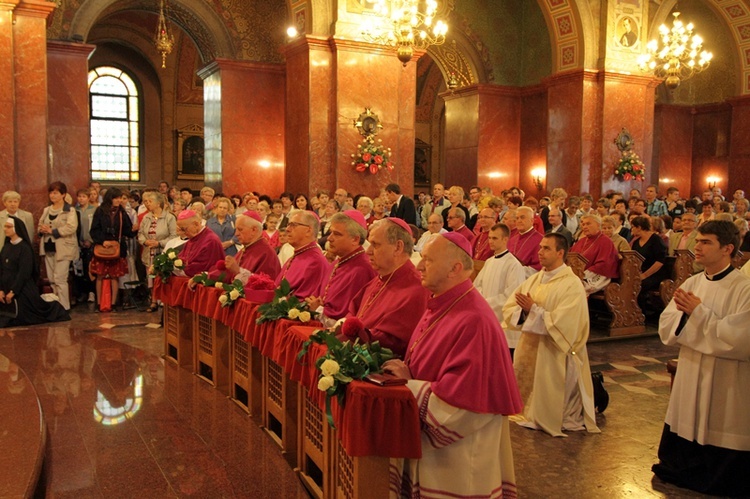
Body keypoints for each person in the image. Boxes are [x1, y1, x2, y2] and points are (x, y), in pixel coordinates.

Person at [383, 232, 522, 497]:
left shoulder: (474, 319)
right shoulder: (441, 304)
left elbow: (461, 406)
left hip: (460, 455)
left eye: (428, 260)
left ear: (455, 269)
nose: (419, 266)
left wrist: (409, 384)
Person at [652, 221, 750, 496]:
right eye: (698, 241)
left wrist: (699, 314)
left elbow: (740, 339)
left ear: (727, 249)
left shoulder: (744, 288)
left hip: (727, 375)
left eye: (706, 242)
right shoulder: (693, 282)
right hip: (692, 367)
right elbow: (668, 324)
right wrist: (694, 320)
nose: (698, 246)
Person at [503, 232, 600, 437]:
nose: (540, 252)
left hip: (555, 351)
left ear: (560, 253)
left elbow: (566, 324)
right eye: (540, 247)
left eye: (546, 248)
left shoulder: (571, 284)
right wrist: (524, 311)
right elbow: (511, 306)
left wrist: (533, 310)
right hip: (530, 345)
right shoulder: (536, 279)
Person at [346, 218, 429, 358]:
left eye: (375, 245)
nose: (368, 251)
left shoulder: (417, 289)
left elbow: (394, 343)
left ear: (398, 247)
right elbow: (353, 312)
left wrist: (354, 336)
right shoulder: (380, 278)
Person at [304, 211, 375, 327]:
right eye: (331, 232)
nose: (329, 238)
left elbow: (345, 320)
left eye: (337, 234)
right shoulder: (338, 261)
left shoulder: (362, 269)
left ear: (355, 240)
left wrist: (317, 309)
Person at [0, 216, 70, 328]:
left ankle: (56, 308)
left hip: (21, 289)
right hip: (6, 288)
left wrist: (13, 291)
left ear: (16, 229)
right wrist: (1, 289)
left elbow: (24, 273)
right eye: (5, 226)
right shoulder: (6, 247)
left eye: (8, 227)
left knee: (22, 317)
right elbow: (1, 269)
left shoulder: (25, 248)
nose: (5, 229)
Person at [473, 223, 526, 353]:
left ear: (505, 239)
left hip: (503, 324)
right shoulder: (489, 262)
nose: (490, 241)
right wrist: (481, 301)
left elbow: (512, 296)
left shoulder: (513, 265)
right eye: (490, 238)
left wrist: (486, 304)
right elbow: (477, 286)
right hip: (486, 317)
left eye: (495, 238)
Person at [90, 188, 136, 311]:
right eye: (116, 198)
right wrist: (102, 241)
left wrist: (135, 229)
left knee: (115, 276)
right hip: (102, 246)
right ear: (110, 198)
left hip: (117, 248)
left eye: (120, 198)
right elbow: (94, 230)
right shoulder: (100, 211)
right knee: (100, 275)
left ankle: (113, 303)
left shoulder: (122, 212)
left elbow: (127, 231)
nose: (119, 200)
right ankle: (99, 303)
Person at [39, 181, 79, 311]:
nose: (53, 195)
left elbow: (71, 227)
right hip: (48, 246)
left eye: (55, 193)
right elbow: (40, 224)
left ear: (63, 194)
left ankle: (64, 307)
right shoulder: (46, 210)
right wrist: (42, 229)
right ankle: (56, 305)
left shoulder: (69, 210)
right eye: (51, 193)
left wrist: (53, 231)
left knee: (60, 278)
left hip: (63, 248)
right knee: (51, 279)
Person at [276, 210, 329, 299]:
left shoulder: (315, 261)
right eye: (288, 225)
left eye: (293, 225)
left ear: (308, 230)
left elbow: (304, 303)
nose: (287, 229)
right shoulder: (298, 254)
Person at [138, 192, 177, 312]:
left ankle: (163, 300)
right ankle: (153, 300)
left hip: (162, 252)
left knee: (161, 277)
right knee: (151, 276)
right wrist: (145, 242)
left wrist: (159, 243)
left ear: (158, 203)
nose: (147, 204)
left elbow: (173, 236)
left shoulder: (169, 217)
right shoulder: (146, 217)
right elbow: (140, 234)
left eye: (150, 201)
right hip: (149, 253)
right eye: (146, 202)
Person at [570, 214, 620, 294]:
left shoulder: (606, 241)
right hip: (577, 276)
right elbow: (570, 257)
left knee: (574, 289)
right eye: (583, 224)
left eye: (588, 223)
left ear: (598, 225)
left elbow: (604, 264)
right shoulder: (581, 241)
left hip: (598, 276)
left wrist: (581, 275)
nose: (585, 226)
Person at [630, 216, 667, 314]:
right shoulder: (636, 242)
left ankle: (641, 314)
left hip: (655, 273)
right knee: (628, 282)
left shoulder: (656, 239)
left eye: (633, 227)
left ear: (639, 227)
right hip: (641, 272)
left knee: (639, 285)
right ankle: (631, 312)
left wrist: (645, 275)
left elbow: (660, 261)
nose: (632, 229)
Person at [174, 210, 225, 277]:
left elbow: (202, 267)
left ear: (196, 224)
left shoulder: (211, 241)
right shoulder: (192, 239)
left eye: (184, 229)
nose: (183, 233)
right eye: (180, 229)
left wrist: (179, 269)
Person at [508, 206, 543, 276]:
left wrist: (516, 271)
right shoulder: (512, 239)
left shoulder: (541, 240)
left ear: (532, 221)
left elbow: (539, 268)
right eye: (517, 218)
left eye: (522, 217)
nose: (519, 221)